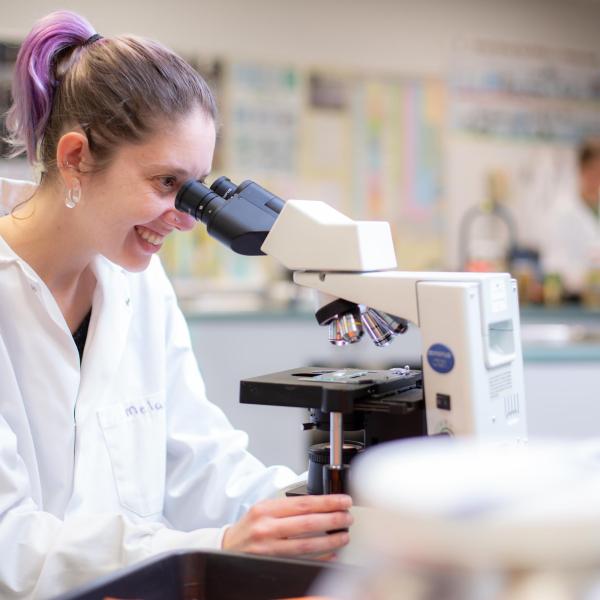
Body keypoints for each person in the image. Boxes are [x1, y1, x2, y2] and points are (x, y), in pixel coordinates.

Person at [0, 11, 352, 598]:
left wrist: (318, 513)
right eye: (167, 184)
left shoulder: (140, 282)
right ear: (74, 158)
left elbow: (196, 461)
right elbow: (9, 542)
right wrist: (216, 548)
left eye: (198, 187)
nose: (188, 218)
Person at [541, 138, 600, 298]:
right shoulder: (563, 210)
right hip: (574, 296)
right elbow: (553, 263)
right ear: (581, 169)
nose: (597, 176)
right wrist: (585, 279)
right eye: (592, 170)